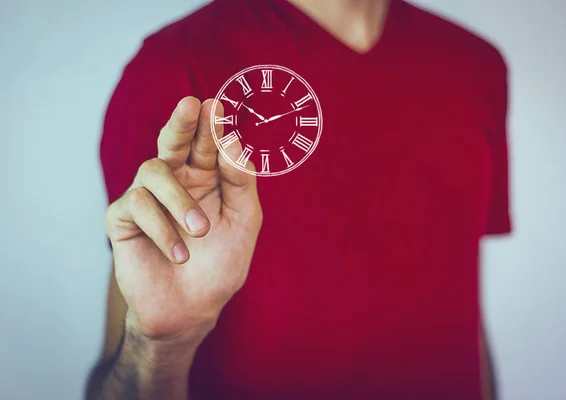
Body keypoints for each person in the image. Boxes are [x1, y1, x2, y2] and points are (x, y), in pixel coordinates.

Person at [85, 0, 512, 399]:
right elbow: (134, 339)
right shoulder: (170, 67)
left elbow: (464, 308)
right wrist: (165, 343)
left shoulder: (475, 67)